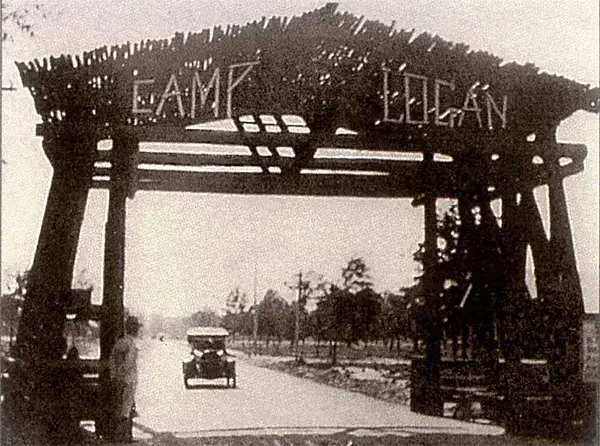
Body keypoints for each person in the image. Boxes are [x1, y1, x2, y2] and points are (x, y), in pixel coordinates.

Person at [108, 316, 142, 441]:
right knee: (125, 408)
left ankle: (124, 435)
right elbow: (125, 363)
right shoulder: (128, 343)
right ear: (133, 329)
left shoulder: (124, 342)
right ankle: (122, 435)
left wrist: (116, 375)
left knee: (125, 407)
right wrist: (120, 374)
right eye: (136, 327)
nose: (137, 330)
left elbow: (113, 361)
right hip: (127, 380)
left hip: (124, 380)